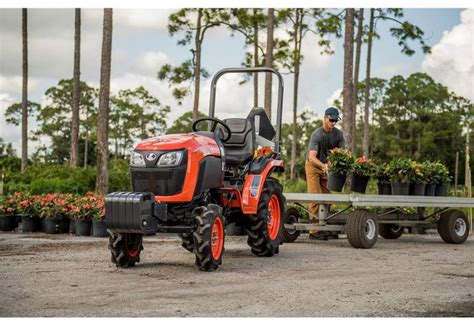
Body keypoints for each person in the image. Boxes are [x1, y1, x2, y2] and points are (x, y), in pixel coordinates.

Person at [305, 107, 345, 240]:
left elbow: (342, 154)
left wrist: (333, 165)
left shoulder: (338, 135)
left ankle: (324, 227)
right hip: (313, 166)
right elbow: (311, 157)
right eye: (331, 120)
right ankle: (314, 231)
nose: (333, 123)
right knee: (315, 197)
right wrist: (323, 166)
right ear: (325, 118)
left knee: (328, 198)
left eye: (335, 120)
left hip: (327, 167)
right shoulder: (317, 134)